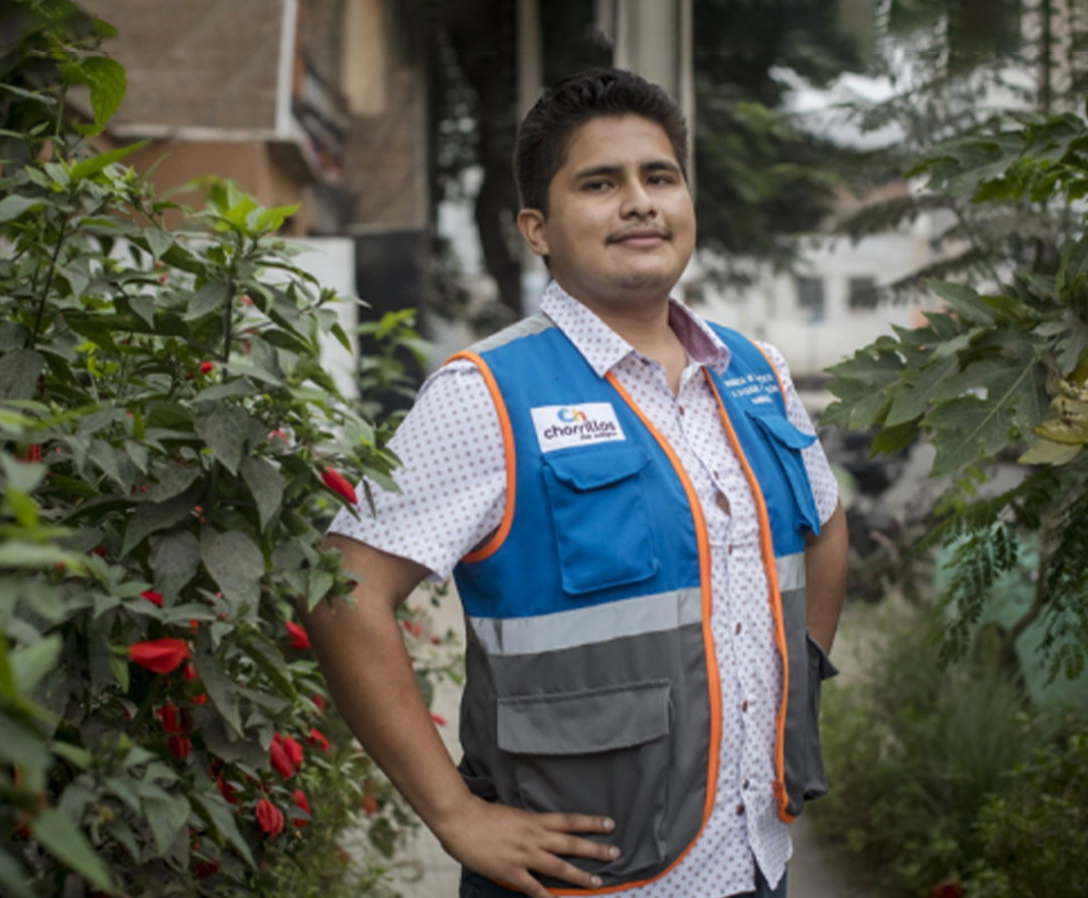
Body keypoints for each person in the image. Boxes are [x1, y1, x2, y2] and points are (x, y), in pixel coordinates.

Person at [302, 68, 848, 898]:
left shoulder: (756, 371)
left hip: (755, 858)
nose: (640, 202)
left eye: (659, 177)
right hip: (582, 880)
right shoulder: (486, 393)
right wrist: (455, 816)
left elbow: (825, 524)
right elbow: (344, 589)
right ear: (538, 228)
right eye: (600, 183)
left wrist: (789, 697)